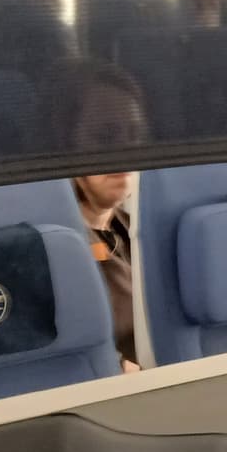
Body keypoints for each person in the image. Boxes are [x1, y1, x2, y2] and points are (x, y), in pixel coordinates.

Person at [47, 60, 152, 372]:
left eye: (134, 135)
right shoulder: (54, 248)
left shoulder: (137, 228)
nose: (124, 151)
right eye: (105, 137)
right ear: (66, 144)